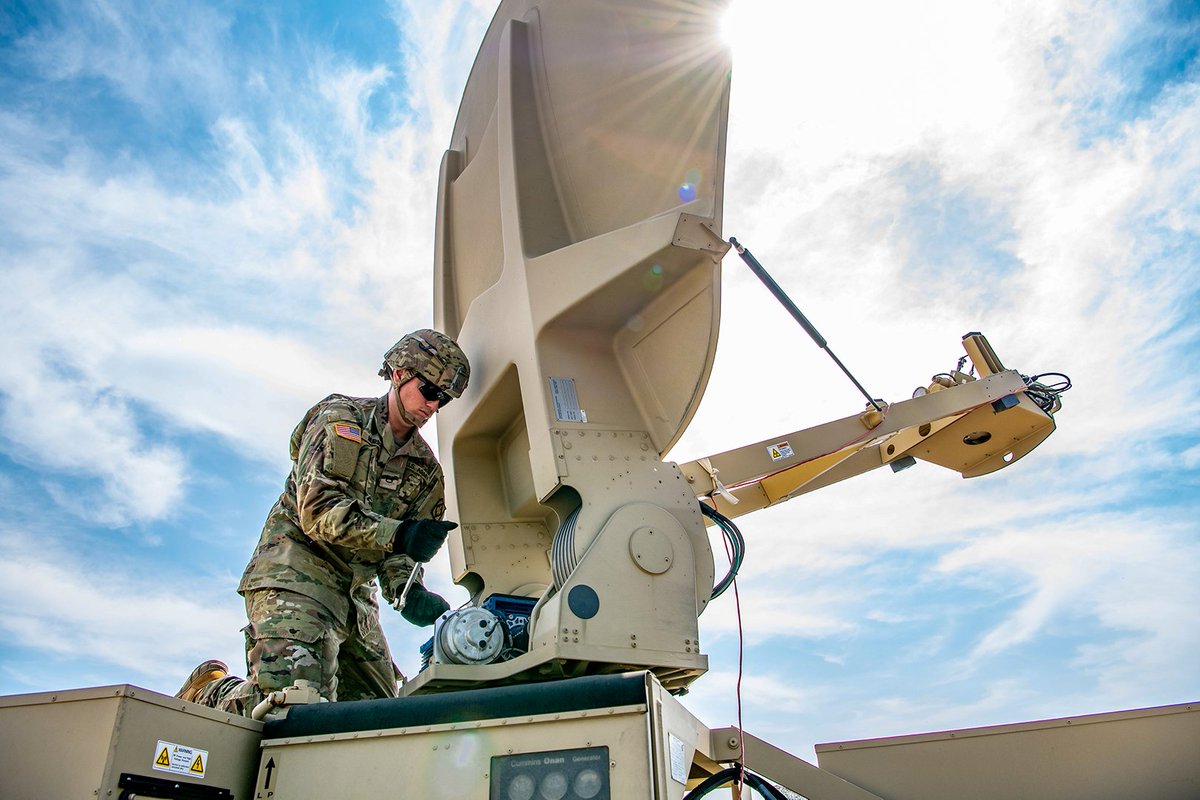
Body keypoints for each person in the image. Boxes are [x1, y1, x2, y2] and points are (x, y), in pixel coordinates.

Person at [175, 329, 470, 715]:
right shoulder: (340, 421)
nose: (434, 405)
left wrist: (408, 592)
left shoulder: (426, 472)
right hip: (295, 574)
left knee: (379, 716)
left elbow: (400, 553)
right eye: (430, 390)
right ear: (399, 375)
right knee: (293, 705)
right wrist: (398, 535)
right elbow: (318, 510)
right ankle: (211, 692)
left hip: (354, 597)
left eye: (443, 398)